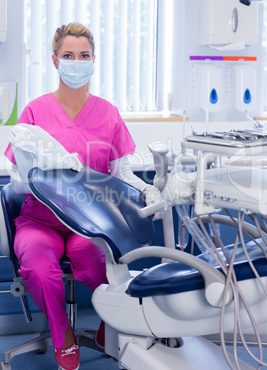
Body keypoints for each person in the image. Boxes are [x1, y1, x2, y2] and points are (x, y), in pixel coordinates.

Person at [4, 22, 160, 370]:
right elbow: (15, 180)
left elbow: (121, 174)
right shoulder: (34, 113)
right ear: (56, 61)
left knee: (100, 263)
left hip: (89, 222)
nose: (77, 61)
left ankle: (110, 327)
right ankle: (63, 335)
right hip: (40, 220)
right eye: (69, 55)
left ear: (94, 60)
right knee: (39, 269)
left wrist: (148, 190)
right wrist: (43, 175)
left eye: (84, 55)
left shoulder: (108, 114)